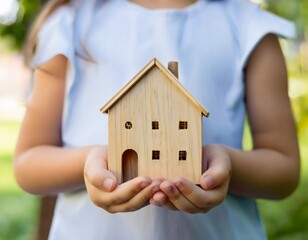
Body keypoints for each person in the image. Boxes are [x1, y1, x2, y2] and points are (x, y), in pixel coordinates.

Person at [14, 0, 300, 239]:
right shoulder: (69, 24)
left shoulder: (250, 28)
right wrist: (96, 161)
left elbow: (283, 168)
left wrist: (221, 163)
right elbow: (28, 163)